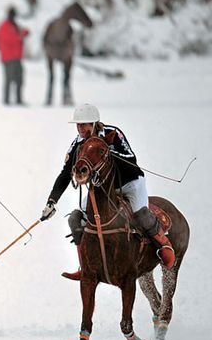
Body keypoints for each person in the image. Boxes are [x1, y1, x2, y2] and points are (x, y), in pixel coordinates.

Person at [39, 104, 176, 280]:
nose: (81, 129)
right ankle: (85, 265)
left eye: (84, 124)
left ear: (95, 123)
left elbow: (131, 158)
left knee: (141, 215)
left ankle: (164, 246)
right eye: (78, 125)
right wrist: (52, 201)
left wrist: (107, 154)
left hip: (129, 183)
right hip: (103, 189)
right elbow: (66, 173)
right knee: (75, 218)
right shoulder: (79, 144)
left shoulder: (114, 134)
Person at [0, 6, 29, 106]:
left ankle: (19, 99)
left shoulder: (14, 25)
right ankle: (6, 101)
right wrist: (19, 36)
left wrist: (22, 33)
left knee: (19, 79)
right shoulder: (4, 26)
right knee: (9, 79)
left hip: (17, 57)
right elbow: (10, 39)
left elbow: (25, 32)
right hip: (8, 58)